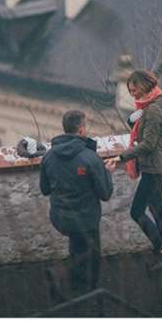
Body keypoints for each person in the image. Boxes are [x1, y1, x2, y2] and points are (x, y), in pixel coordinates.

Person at [106, 70, 162, 270]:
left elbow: (148, 145)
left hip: (154, 168)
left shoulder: (153, 110)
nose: (132, 94)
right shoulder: (148, 108)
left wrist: (120, 157)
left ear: (144, 85)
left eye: (134, 89)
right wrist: (133, 123)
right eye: (129, 90)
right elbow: (145, 135)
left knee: (137, 211)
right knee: (156, 209)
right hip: (153, 167)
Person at [40, 110, 113, 293]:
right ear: (81, 130)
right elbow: (105, 193)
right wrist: (107, 173)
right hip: (86, 220)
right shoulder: (90, 158)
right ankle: (87, 291)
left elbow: (45, 189)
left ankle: (74, 286)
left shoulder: (49, 156)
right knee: (92, 255)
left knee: (77, 246)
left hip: (60, 218)